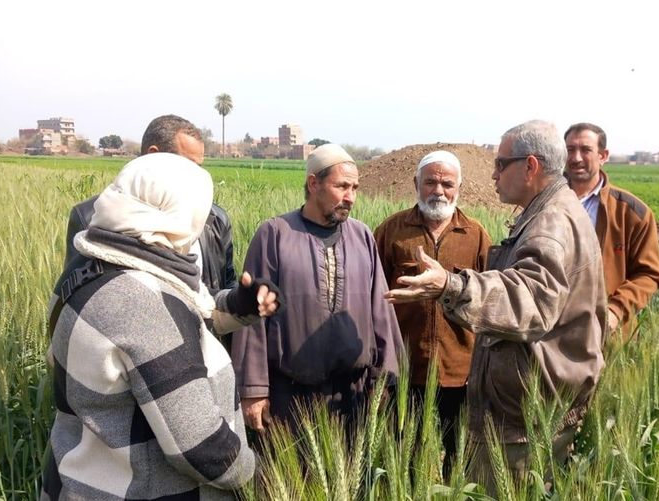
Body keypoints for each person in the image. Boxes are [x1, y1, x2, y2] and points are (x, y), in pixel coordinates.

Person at [385, 120, 606, 491]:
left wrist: (450, 285)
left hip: (527, 413)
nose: (493, 174)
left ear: (530, 166)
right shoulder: (554, 212)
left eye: (501, 164)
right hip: (523, 404)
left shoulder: (550, 223)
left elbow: (530, 300)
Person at [41, 153, 268, 500]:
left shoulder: (88, 269)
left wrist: (239, 306)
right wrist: (256, 472)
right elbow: (202, 449)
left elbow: (185, 317)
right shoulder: (141, 304)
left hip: (81, 480)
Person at [232, 143, 404, 433]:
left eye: (355, 188)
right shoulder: (274, 234)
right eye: (342, 186)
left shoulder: (362, 235)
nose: (350, 197)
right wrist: (253, 389)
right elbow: (253, 315)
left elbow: (381, 309)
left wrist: (384, 375)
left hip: (353, 397)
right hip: (290, 398)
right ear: (314, 184)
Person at [373, 150, 491, 473]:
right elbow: (372, 297)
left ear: (458, 189)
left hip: (460, 373)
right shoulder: (392, 231)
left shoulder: (476, 235)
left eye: (447, 184)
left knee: (459, 461)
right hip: (406, 371)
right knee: (404, 461)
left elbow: (489, 298)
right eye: (430, 182)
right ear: (416, 184)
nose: (438, 191)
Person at [63, 114, 237, 296]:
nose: (198, 176)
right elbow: (82, 295)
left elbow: (227, 285)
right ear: (153, 157)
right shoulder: (89, 218)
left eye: (200, 167)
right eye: (190, 165)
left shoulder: (216, 221)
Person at [564, 122, 659, 338]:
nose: (576, 158)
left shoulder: (632, 212)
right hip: (548, 332)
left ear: (603, 156)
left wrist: (616, 310)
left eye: (586, 150)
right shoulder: (544, 203)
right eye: (570, 150)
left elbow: (648, 274)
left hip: (603, 334)